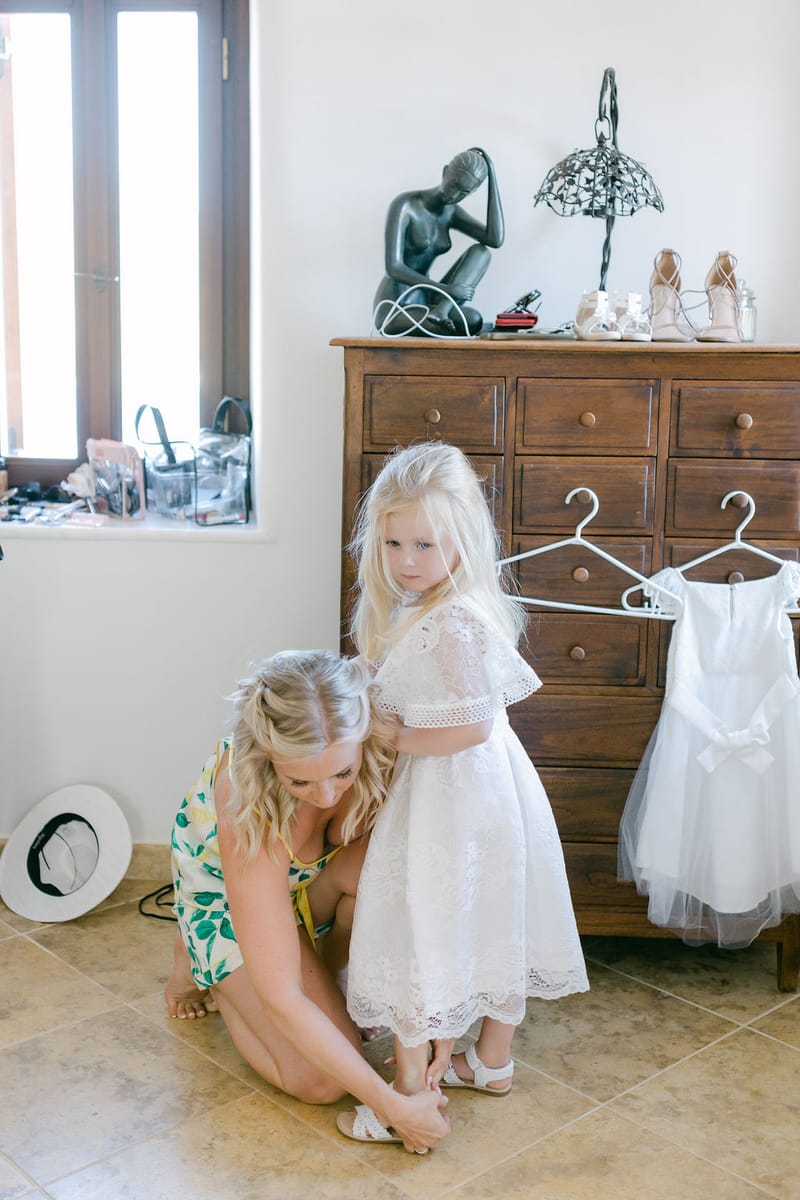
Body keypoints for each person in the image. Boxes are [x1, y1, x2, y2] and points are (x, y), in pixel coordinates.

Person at [338, 443, 589, 1145]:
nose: (406, 558)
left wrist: (390, 739)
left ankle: (412, 1087)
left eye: (425, 543)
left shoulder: (450, 620)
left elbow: (472, 726)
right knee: (490, 918)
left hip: (451, 795)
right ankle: (491, 1060)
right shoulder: (430, 606)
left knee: (421, 920)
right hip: (485, 796)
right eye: (393, 542)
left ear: (462, 542)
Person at [166, 649, 450, 1153]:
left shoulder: (375, 736)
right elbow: (283, 996)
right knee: (321, 1083)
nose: (323, 796)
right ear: (267, 755)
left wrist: (438, 1029)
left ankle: (322, 970)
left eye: (341, 773)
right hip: (228, 904)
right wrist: (394, 1108)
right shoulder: (246, 797)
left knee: (395, 874)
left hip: (308, 883)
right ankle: (198, 956)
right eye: (300, 781)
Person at [373, 147, 504, 338]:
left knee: (481, 253)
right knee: (472, 321)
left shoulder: (451, 212)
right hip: (396, 305)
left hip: (429, 301)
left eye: (464, 192)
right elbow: (393, 267)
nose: (453, 195)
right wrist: (445, 289)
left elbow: (494, 239)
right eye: (454, 184)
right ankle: (440, 311)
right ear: (445, 173)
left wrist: (492, 175)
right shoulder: (405, 205)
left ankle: (442, 310)